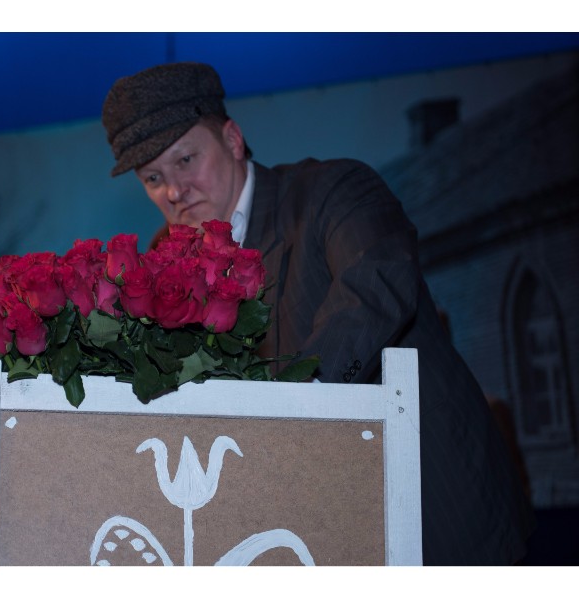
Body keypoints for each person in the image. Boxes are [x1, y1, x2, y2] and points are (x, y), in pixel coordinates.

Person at [101, 62, 535, 565]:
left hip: (432, 508)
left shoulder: (333, 191)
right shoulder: (165, 258)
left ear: (233, 140)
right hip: (307, 536)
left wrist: (295, 412)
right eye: (153, 178)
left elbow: (373, 288)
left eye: (185, 160)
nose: (174, 191)